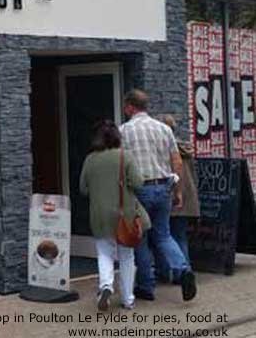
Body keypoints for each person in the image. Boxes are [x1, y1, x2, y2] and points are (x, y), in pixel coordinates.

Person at [119, 90, 197, 302]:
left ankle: (146, 286)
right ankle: (183, 269)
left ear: (129, 107)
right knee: (163, 234)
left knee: (141, 238)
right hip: (163, 187)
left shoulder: (124, 131)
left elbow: (121, 165)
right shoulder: (163, 129)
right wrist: (177, 190)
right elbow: (177, 162)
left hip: (139, 190)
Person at [80, 120, 150, 311]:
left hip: (98, 215)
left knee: (104, 253)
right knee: (127, 256)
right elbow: (138, 183)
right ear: (117, 136)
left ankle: (106, 286)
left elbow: (83, 189)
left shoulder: (90, 159)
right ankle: (128, 299)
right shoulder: (124, 156)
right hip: (123, 214)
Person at [154, 115, 200, 283]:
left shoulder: (165, 151)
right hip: (188, 199)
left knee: (162, 236)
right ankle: (184, 272)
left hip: (172, 196)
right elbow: (194, 176)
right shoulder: (186, 149)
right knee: (180, 236)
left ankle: (166, 272)